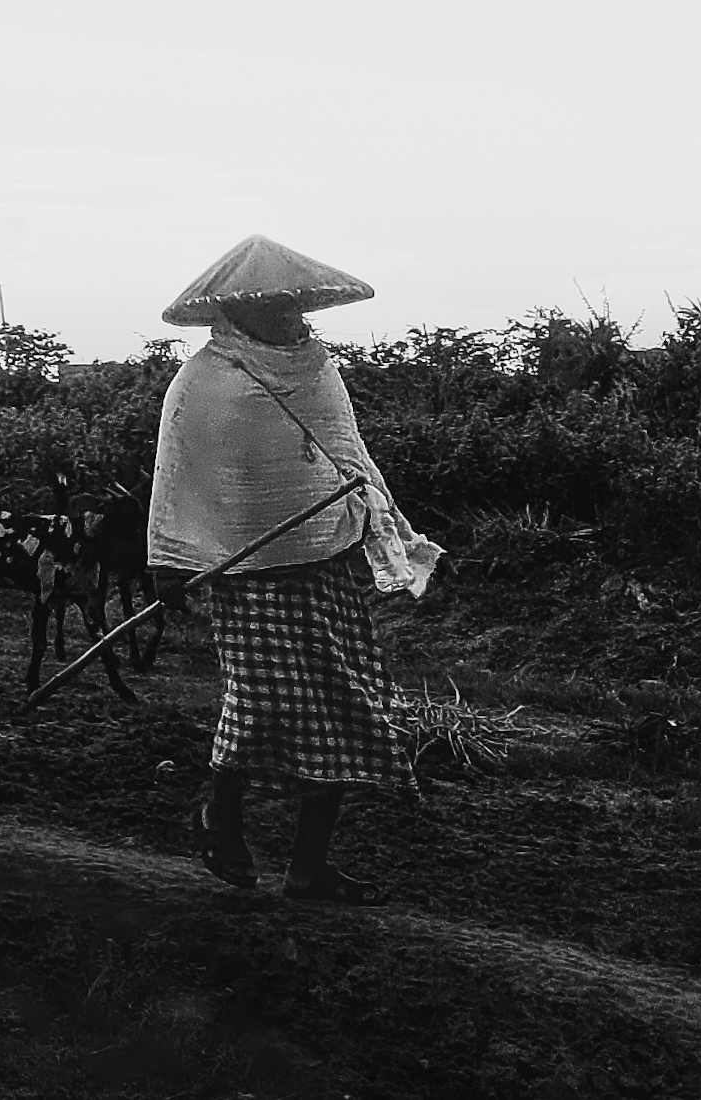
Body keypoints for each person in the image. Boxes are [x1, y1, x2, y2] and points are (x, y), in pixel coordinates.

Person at [145, 235, 442, 904]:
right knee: (261, 703)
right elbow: (179, 477)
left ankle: (307, 868)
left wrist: (375, 520)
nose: (287, 315)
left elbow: (348, 456)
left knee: (343, 707)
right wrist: (168, 556)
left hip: (326, 562)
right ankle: (218, 814)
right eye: (272, 305)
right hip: (247, 571)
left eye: (291, 303)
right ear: (234, 310)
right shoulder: (202, 382)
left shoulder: (317, 370)